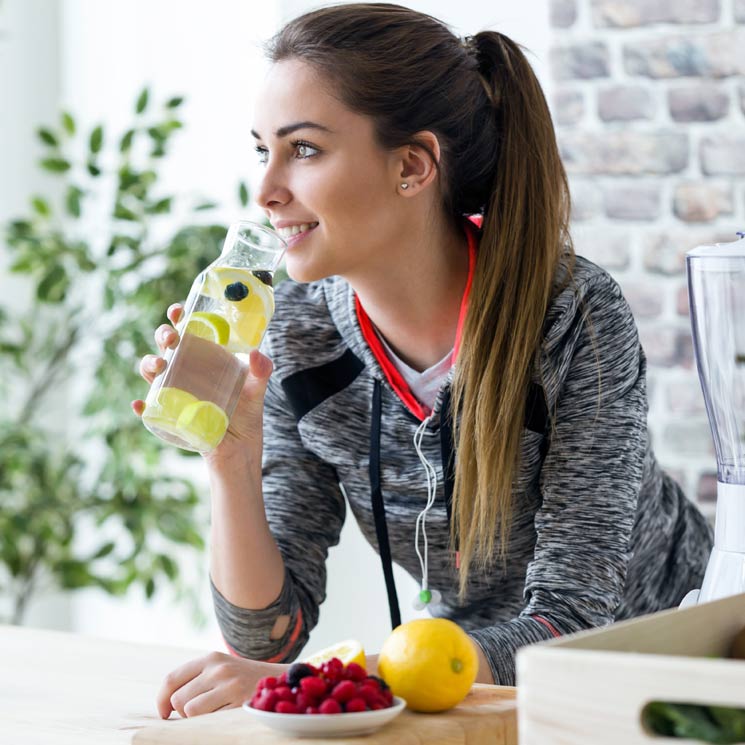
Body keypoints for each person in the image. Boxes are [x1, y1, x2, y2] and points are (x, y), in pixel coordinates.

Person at [133, 2, 713, 719]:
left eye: (303, 149)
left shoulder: (569, 314)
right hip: (467, 690)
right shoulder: (297, 333)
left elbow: (574, 621)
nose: (264, 190)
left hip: (672, 681)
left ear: (412, 165)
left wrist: (346, 677)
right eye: (262, 150)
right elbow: (270, 635)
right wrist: (230, 455)